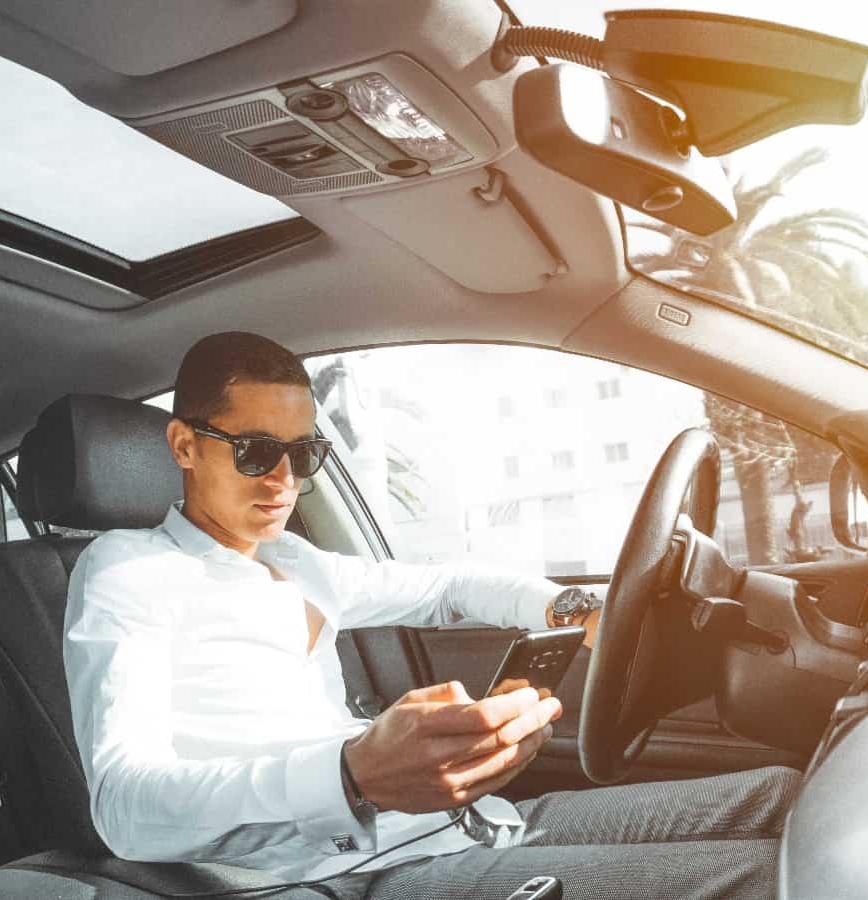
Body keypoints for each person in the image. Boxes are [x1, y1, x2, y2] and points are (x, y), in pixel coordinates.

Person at [65, 331, 799, 900]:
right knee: (765, 879)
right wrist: (353, 776)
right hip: (349, 877)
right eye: (257, 452)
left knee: (781, 797)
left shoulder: (301, 562)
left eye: (304, 453)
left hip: (467, 825)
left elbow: (446, 586)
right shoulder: (126, 571)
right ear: (185, 445)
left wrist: (573, 608)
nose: (286, 482)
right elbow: (125, 807)